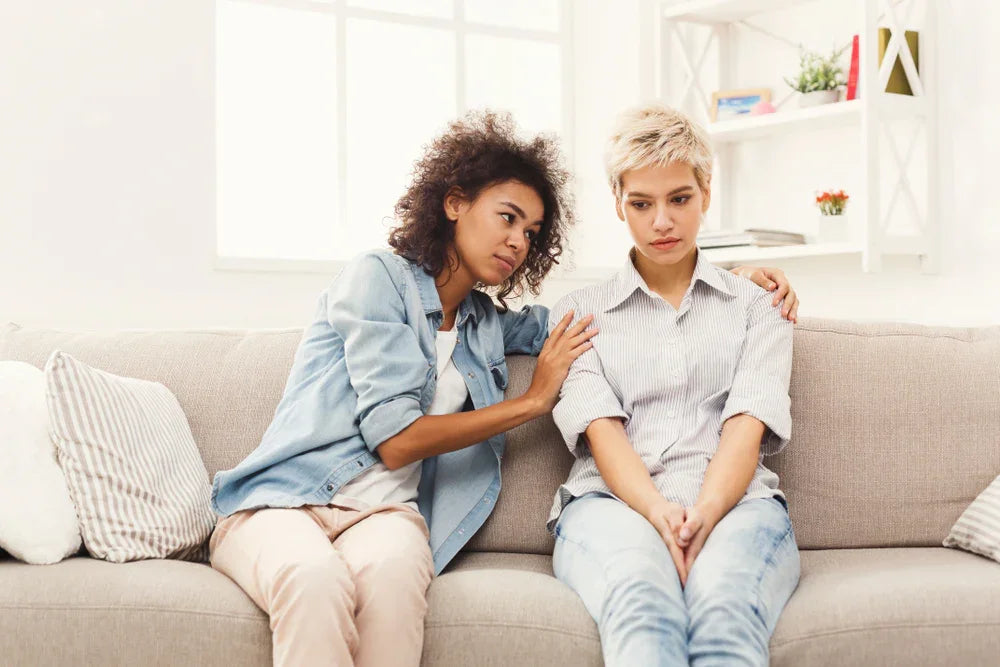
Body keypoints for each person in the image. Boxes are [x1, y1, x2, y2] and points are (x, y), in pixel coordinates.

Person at [209, 110, 798, 667]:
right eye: (507, 218)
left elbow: (599, 318)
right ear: (455, 203)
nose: (518, 242)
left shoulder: (484, 323)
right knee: (316, 582)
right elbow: (394, 440)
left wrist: (731, 280)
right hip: (290, 499)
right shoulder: (377, 278)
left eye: (532, 230)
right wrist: (532, 403)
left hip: (383, 515)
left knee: (392, 586)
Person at [548, 104, 800, 667]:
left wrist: (705, 513)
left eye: (679, 199)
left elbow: (747, 424)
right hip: (611, 505)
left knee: (723, 609)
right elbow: (601, 431)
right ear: (619, 204)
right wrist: (661, 513)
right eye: (642, 203)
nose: (662, 221)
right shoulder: (578, 314)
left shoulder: (758, 307)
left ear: (706, 193)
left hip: (739, 505)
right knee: (643, 603)